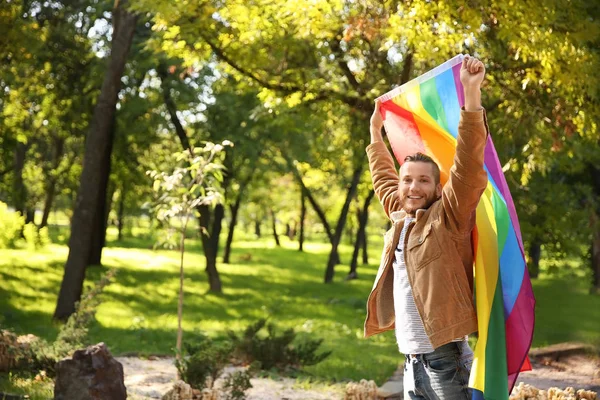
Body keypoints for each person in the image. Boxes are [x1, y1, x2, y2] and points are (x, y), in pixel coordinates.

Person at [365, 55, 488, 400]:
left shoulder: (448, 218)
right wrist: (376, 133)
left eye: (423, 181)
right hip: (411, 363)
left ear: (437, 189)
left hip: (446, 362)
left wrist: (471, 94)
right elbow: (384, 181)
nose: (412, 188)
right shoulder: (401, 220)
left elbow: (467, 166)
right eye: (408, 181)